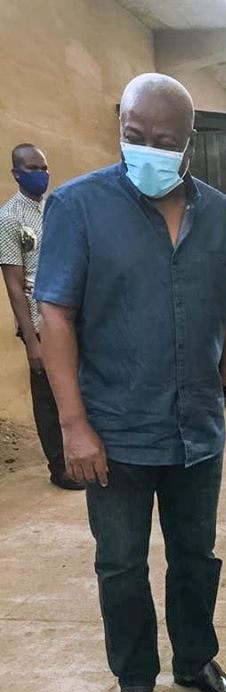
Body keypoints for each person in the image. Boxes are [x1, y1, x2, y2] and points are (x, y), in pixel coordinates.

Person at [34, 73, 226, 692]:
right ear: (120, 130)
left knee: (196, 556)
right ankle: (135, 680)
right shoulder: (78, 207)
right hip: (115, 431)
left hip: (196, 431)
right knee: (122, 564)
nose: (148, 150)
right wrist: (73, 425)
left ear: (189, 142)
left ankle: (195, 661)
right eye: (135, 136)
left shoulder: (221, 214)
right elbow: (54, 316)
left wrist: (224, 377)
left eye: (164, 140)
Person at [0, 144, 82, 491]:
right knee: (48, 396)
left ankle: (82, 456)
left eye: (44, 167)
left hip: (69, 313)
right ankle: (60, 467)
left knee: (77, 387)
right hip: (37, 319)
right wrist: (32, 342)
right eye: (32, 168)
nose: (41, 174)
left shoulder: (56, 207)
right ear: (16, 173)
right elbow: (14, 284)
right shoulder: (8, 218)